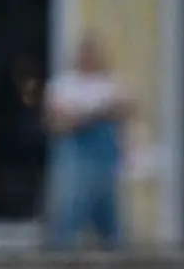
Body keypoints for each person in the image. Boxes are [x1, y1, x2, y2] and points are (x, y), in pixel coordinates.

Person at [43, 34, 133, 249]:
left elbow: (125, 110)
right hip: (76, 158)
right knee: (70, 210)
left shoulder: (109, 83)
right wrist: (90, 115)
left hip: (104, 158)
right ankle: (60, 252)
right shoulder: (64, 85)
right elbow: (57, 121)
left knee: (108, 212)